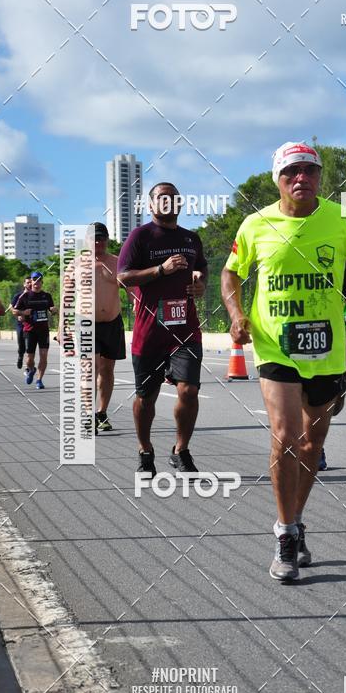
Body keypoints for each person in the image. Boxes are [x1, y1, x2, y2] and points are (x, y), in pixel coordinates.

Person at [221, 141, 346, 583]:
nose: (302, 179)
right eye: (292, 171)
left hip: (327, 349)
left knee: (313, 443)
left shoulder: (341, 220)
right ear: (277, 178)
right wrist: (237, 314)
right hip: (274, 345)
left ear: (319, 179)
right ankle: (285, 532)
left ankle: (296, 518)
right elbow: (230, 273)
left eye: (310, 171)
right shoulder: (256, 224)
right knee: (286, 435)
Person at [117, 182, 208, 477]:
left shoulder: (192, 239)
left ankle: (181, 450)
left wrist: (199, 283)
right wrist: (160, 270)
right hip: (150, 331)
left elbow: (202, 268)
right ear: (151, 204)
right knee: (146, 398)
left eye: (174, 198)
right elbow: (123, 277)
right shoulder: (140, 236)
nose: (168, 202)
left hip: (185, 329)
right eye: (162, 198)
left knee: (189, 390)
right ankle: (145, 450)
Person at [60, 223, 126, 433]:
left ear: (107, 239)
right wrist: (62, 325)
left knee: (107, 370)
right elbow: (67, 297)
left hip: (113, 322)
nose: (98, 243)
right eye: (94, 239)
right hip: (85, 322)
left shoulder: (117, 263)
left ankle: (101, 413)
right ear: (87, 241)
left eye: (102, 239)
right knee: (90, 369)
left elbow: (132, 289)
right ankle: (88, 414)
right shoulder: (76, 264)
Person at [318, 259, 346, 471]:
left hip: (333, 336)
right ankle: (316, 449)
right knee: (300, 395)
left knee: (334, 402)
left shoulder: (342, 261)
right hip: (293, 338)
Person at [13, 272, 58, 389]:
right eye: (34, 280)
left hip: (43, 330)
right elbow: (14, 311)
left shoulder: (47, 296)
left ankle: (39, 380)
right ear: (31, 282)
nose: (36, 283)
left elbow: (52, 311)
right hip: (29, 330)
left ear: (42, 282)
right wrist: (23, 312)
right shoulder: (25, 296)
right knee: (29, 358)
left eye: (39, 281)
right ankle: (32, 369)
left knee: (44, 356)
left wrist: (54, 310)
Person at [9, 276, 32, 369]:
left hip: (31, 324)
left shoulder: (34, 296)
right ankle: (20, 356)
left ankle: (28, 364)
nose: (29, 284)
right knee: (21, 344)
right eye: (27, 282)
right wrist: (19, 314)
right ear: (24, 284)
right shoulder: (18, 295)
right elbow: (11, 307)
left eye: (31, 282)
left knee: (29, 345)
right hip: (20, 324)